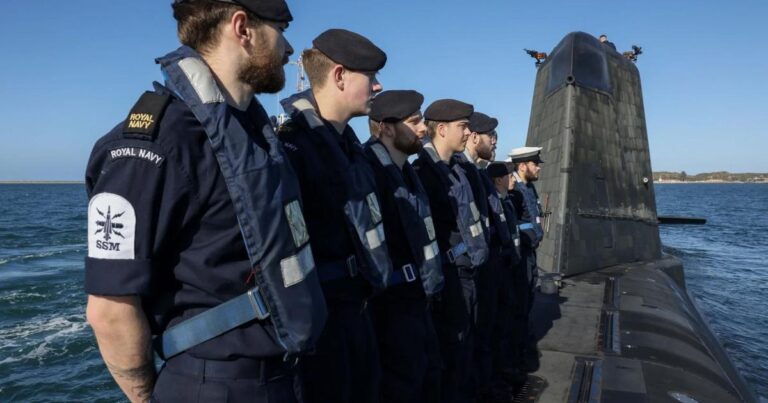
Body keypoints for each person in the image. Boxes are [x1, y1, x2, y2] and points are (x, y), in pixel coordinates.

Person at [84, 1, 328, 402]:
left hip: (284, 375)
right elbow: (109, 310)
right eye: (281, 28)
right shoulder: (157, 144)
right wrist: (146, 397)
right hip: (212, 384)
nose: (288, 48)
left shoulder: (254, 135)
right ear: (242, 28)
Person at [278, 28, 392, 403]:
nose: (377, 87)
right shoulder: (292, 148)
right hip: (322, 327)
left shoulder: (351, 149)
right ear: (340, 76)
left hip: (360, 311)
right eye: (370, 77)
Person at [364, 90, 444, 403]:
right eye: (414, 122)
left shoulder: (408, 173)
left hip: (416, 299)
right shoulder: (369, 172)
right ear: (386, 127)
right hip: (389, 307)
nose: (424, 128)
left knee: (427, 373)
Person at [413, 99, 489, 403]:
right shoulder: (423, 172)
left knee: (463, 347)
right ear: (442, 129)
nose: (468, 131)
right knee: (448, 352)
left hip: (463, 273)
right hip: (446, 279)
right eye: (462, 126)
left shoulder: (455, 171)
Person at [462, 113, 522, 399]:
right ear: (474, 136)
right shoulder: (465, 174)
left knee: (490, 331)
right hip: (473, 272)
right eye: (490, 135)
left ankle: (489, 382)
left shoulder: (475, 174)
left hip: (490, 267)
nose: (495, 140)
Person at [508, 146, 545, 374]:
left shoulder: (529, 188)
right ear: (522, 166)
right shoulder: (514, 191)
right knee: (519, 301)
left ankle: (523, 343)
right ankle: (516, 352)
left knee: (528, 296)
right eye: (535, 164)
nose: (538, 167)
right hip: (520, 255)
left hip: (530, 253)